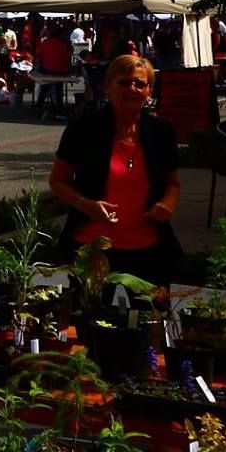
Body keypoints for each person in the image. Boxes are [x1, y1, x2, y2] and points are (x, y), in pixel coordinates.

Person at [47, 54, 182, 286]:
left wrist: (167, 204)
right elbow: (58, 181)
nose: (132, 88)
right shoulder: (84, 129)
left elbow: (172, 183)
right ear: (108, 87)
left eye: (140, 84)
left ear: (149, 92)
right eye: (123, 82)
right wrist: (86, 204)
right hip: (91, 250)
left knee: (147, 317)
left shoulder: (162, 132)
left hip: (149, 249)